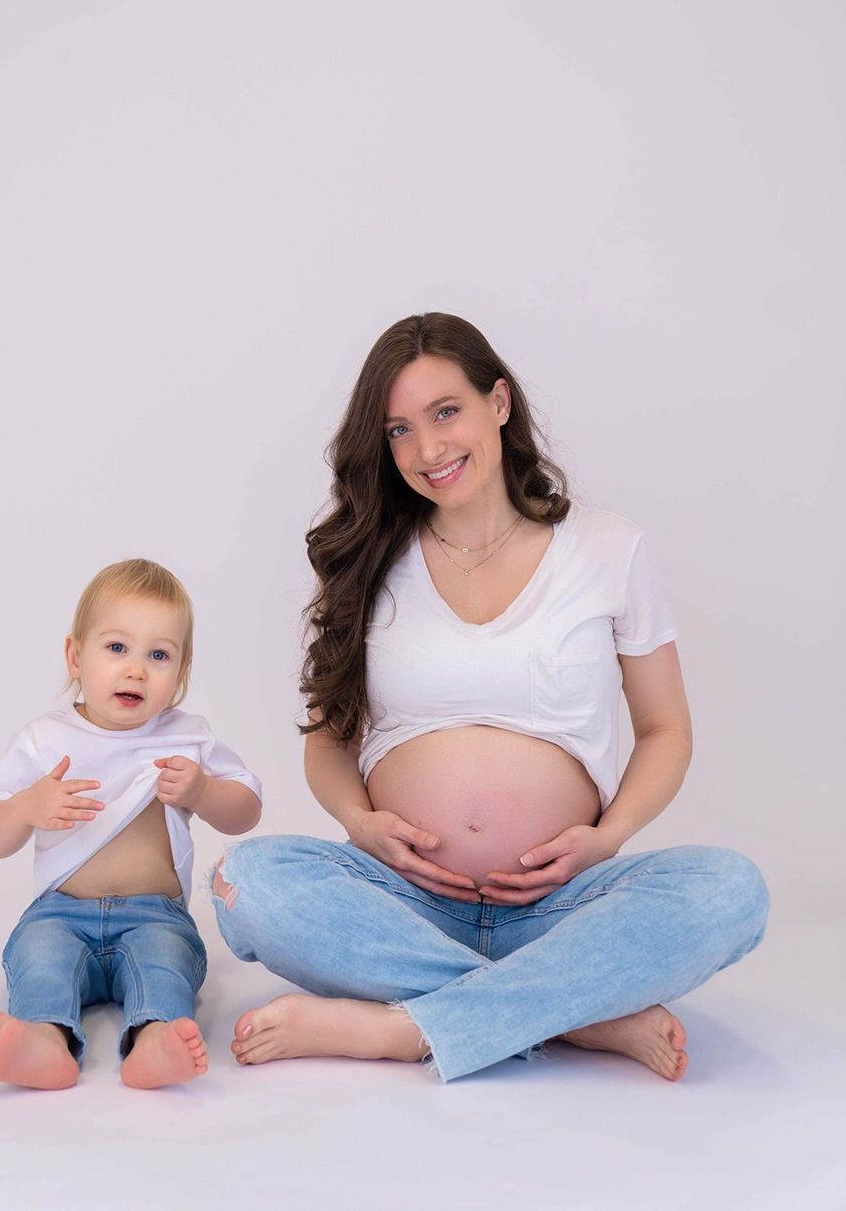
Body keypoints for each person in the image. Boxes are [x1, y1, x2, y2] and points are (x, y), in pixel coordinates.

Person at [210, 312, 768, 1084]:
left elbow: (666, 729)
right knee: (248, 882)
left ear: (498, 403)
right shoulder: (368, 562)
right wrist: (359, 822)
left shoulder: (609, 549)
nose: (429, 449)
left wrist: (609, 839)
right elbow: (328, 741)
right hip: (402, 899)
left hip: (563, 903)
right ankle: (577, 1013)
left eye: (446, 413)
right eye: (399, 430)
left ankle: (406, 1029)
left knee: (730, 891)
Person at [0, 558, 262, 1089]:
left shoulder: (187, 737)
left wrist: (204, 790)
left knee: (165, 962)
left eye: (158, 654)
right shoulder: (44, 739)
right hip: (60, 913)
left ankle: (156, 1038)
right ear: (75, 655)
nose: (136, 669)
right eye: (116, 648)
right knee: (39, 958)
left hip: (155, 915)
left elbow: (246, 810)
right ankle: (42, 1039)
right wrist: (24, 808)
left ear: (182, 670)